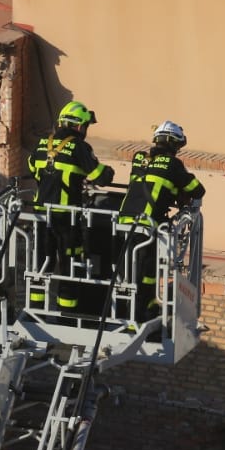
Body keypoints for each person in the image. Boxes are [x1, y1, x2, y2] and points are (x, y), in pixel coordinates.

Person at [28, 100, 114, 312]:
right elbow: (100, 176)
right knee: (69, 265)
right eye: (85, 126)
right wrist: (108, 171)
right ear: (78, 126)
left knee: (41, 263)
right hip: (67, 218)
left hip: (40, 215)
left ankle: (36, 309)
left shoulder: (42, 143)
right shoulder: (79, 147)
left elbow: (32, 167)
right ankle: (67, 313)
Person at [117, 121, 205, 324]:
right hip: (147, 227)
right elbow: (197, 189)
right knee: (146, 274)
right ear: (175, 145)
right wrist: (179, 193)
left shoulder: (139, 158)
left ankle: (127, 312)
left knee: (125, 273)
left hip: (123, 223)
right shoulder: (173, 164)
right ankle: (140, 317)